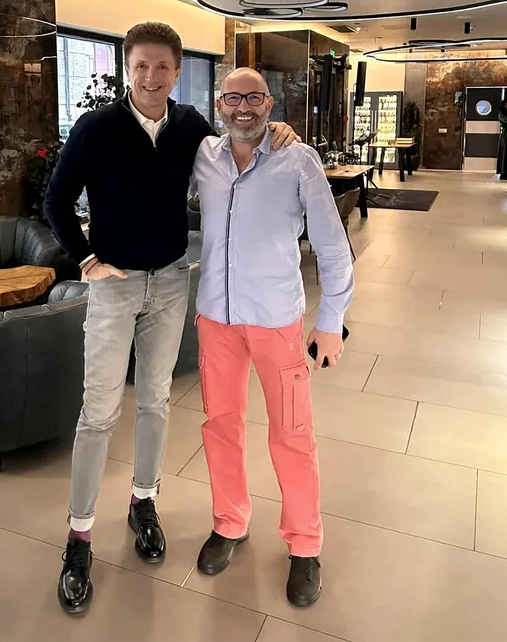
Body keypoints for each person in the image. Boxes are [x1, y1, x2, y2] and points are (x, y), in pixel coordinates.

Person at [43, 23, 299, 616]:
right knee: (99, 411)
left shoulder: (189, 127)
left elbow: (236, 147)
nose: (151, 76)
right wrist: (86, 260)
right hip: (114, 286)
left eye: (162, 66)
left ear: (178, 72)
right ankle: (79, 536)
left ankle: (144, 502)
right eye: (141, 65)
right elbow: (56, 200)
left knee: (156, 400)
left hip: (169, 282)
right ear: (126, 68)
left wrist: (275, 131)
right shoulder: (96, 127)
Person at [189, 67, 354, 608]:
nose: (243, 107)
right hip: (216, 319)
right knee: (221, 425)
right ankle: (230, 521)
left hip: (277, 320)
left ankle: (304, 543)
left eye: (254, 98)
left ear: (269, 104)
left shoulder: (298, 160)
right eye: (233, 98)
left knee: (292, 433)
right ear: (219, 104)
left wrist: (331, 319)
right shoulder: (204, 155)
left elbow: (332, 246)